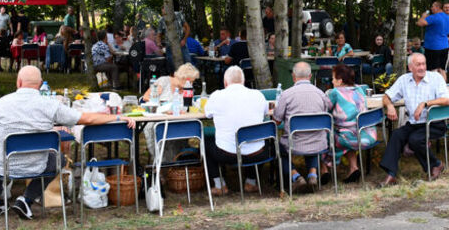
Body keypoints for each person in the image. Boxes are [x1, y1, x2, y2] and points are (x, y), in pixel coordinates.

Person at [0, 66, 135, 219]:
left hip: (5, 165)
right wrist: (117, 117)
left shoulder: (2, 103)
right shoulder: (50, 105)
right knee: (60, 160)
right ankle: (26, 200)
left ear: (18, 82)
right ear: (39, 85)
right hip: (37, 165)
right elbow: (87, 119)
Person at [378, 53, 449, 185]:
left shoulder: (435, 78)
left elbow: (446, 99)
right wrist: (389, 106)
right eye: (418, 65)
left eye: (424, 64)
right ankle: (391, 175)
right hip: (414, 123)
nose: (422, 67)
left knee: (415, 140)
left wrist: (424, 103)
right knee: (396, 135)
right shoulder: (404, 80)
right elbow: (386, 96)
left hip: (434, 123)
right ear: (410, 67)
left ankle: (436, 164)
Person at [203, 65, 270, 195]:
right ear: (243, 81)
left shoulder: (217, 96)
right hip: (257, 153)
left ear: (225, 82)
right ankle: (251, 182)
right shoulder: (258, 95)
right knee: (265, 141)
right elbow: (266, 112)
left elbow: (207, 114)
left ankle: (219, 184)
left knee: (205, 143)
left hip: (226, 154)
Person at [273, 61, 333, 191]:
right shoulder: (321, 94)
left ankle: (296, 176)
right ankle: (312, 174)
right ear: (310, 76)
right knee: (311, 137)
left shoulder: (286, 94)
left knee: (276, 148)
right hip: (318, 143)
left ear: (293, 77)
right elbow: (327, 111)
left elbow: (276, 120)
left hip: (294, 143)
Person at [142, 63, 201, 160]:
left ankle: (177, 164)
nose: (190, 85)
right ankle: (162, 164)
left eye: (192, 82)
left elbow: (189, 107)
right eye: (190, 81)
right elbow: (146, 97)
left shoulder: (187, 89)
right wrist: (164, 107)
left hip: (178, 122)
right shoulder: (163, 81)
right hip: (159, 121)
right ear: (183, 77)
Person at [327, 63, 373, 183]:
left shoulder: (335, 92)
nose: (332, 81)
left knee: (325, 135)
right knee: (346, 130)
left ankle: (324, 170)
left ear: (340, 81)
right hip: (366, 134)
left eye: (333, 78)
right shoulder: (359, 89)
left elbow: (326, 110)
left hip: (347, 136)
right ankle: (353, 168)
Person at [416, 0, 449, 77]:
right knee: (442, 69)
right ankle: (443, 87)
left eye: (432, 6)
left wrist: (423, 16)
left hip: (433, 47)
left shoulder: (433, 17)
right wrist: (448, 38)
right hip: (444, 47)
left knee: (432, 70)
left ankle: (433, 88)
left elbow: (419, 23)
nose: (431, 8)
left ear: (437, 7)